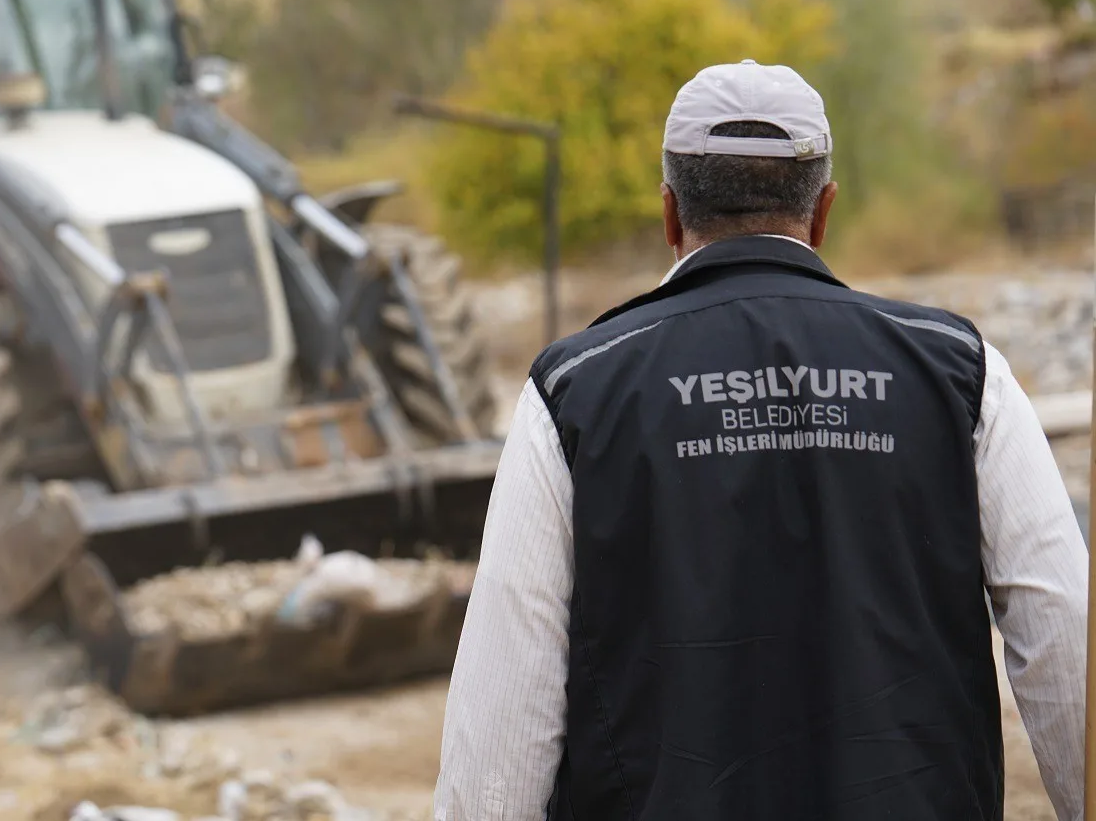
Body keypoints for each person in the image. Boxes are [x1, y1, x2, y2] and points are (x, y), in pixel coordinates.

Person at [434, 59, 1090, 820]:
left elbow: (503, 718)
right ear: (824, 211)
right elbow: (1064, 632)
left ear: (671, 212)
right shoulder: (961, 374)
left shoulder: (575, 391)